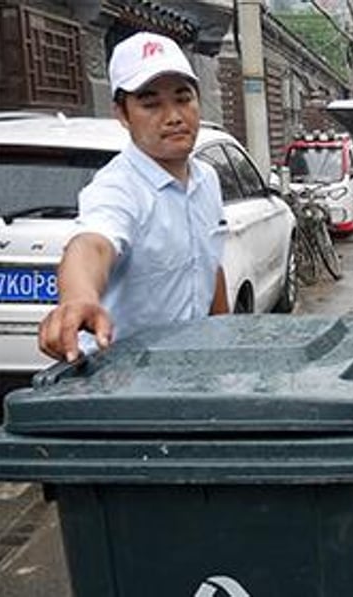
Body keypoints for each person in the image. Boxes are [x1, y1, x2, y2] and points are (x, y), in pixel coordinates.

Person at [38, 32, 228, 362]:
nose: (173, 116)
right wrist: (78, 298)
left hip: (192, 367)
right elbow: (92, 243)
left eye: (183, 98)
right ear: (123, 115)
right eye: (151, 103)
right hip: (124, 381)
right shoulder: (117, 187)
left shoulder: (206, 179)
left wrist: (226, 338)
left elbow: (209, 266)